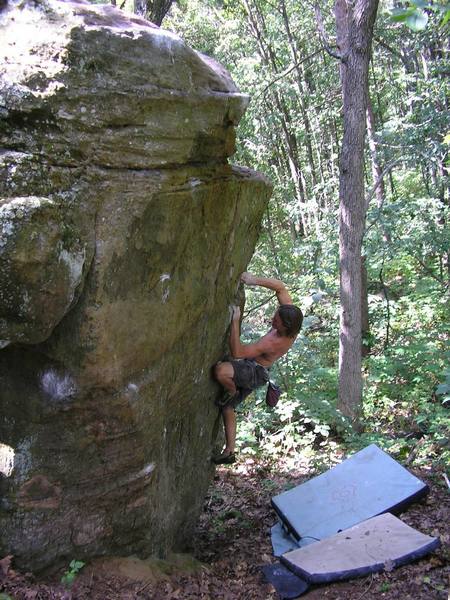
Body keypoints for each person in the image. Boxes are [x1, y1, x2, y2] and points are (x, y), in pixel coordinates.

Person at [213, 272, 303, 464]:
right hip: (258, 371)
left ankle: (230, 388)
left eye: (276, 321)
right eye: (275, 316)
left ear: (285, 326)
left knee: (221, 371)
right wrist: (254, 280)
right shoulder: (292, 319)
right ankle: (229, 450)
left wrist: (235, 320)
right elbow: (280, 287)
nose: (273, 319)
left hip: (254, 372)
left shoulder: (273, 342)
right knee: (227, 407)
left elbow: (237, 352)